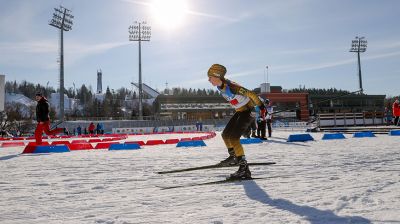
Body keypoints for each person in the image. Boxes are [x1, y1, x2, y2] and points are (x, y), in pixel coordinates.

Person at [207, 64, 265, 179]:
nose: (208, 80)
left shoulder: (232, 86)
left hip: (249, 110)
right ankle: (233, 157)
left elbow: (251, 94)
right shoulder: (220, 87)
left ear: (217, 76)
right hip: (240, 111)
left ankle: (244, 169)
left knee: (234, 138)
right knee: (225, 135)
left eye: (210, 77)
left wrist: (262, 107)